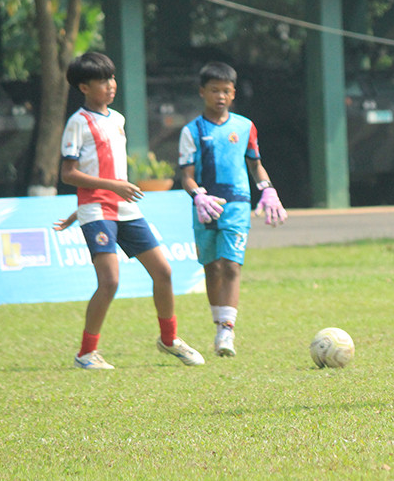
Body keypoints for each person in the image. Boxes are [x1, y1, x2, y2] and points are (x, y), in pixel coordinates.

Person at [60, 51, 205, 369]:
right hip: (98, 208)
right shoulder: (78, 123)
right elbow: (67, 173)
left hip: (123, 207)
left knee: (163, 272)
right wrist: (91, 204)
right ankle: (86, 353)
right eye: (102, 80)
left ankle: (169, 340)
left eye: (112, 78)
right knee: (110, 281)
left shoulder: (117, 119)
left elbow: (105, 168)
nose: (111, 85)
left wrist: (106, 194)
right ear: (84, 87)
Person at [178, 61, 287, 358]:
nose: (220, 96)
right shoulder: (192, 131)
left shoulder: (245, 126)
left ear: (234, 93)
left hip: (237, 205)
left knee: (231, 265)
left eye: (226, 91)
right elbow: (186, 174)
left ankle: (228, 328)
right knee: (211, 268)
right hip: (205, 207)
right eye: (214, 90)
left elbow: (255, 164)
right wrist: (198, 195)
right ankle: (219, 326)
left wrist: (268, 189)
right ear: (202, 92)